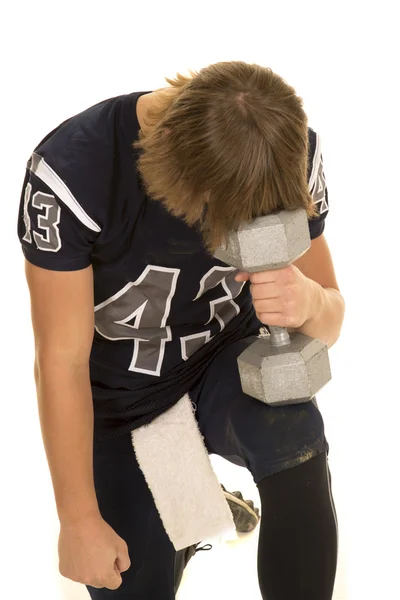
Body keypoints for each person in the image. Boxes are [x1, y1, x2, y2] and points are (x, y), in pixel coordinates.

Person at [17, 61, 345, 599]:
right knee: (129, 576)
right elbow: (61, 359)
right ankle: (180, 506)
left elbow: (330, 320)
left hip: (225, 361)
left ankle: (184, 495)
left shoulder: (286, 151)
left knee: (297, 435)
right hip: (119, 395)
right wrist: (77, 520)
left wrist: (308, 301)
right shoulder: (76, 171)